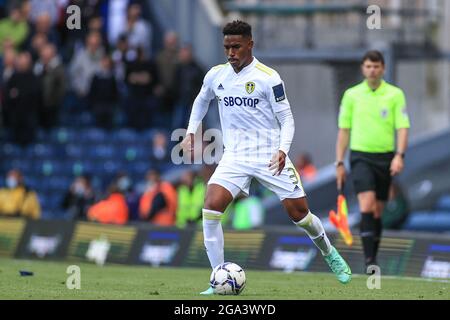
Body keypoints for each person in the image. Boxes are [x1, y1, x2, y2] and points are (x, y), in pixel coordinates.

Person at [180, 20, 351, 295]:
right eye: (226, 47)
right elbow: (201, 100)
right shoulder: (216, 75)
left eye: (236, 46)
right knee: (211, 209)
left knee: (300, 215)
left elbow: (287, 119)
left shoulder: (268, 77)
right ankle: (217, 278)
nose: (231, 52)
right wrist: (191, 131)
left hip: (269, 155)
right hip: (235, 156)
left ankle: (329, 252)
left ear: (250, 44)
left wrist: (283, 150)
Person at [335, 50, 410, 272]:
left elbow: (403, 128)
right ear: (363, 68)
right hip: (360, 156)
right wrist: (339, 162)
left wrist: (400, 155)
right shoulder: (351, 95)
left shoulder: (395, 95)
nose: (372, 70)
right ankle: (369, 261)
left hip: (386, 158)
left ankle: (372, 254)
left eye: (376, 66)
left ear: (383, 68)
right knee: (366, 205)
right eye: (368, 66)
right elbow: (343, 130)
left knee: (378, 211)